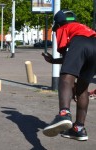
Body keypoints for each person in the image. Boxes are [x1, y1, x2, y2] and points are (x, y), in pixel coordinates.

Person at [42, 9, 96, 141]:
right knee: (82, 89)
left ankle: (64, 113)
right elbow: (75, 56)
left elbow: (69, 57)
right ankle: (78, 129)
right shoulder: (81, 27)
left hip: (79, 44)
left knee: (66, 77)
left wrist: (68, 79)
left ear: (58, 24)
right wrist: (54, 61)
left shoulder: (63, 27)